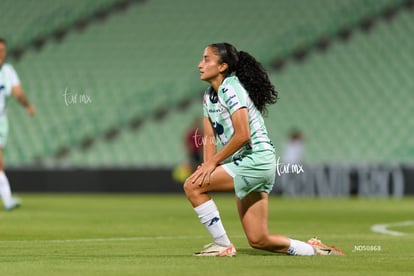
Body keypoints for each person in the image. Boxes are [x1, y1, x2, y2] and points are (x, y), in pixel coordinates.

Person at [183, 42, 344, 256]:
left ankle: (222, 245)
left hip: (256, 160)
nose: (199, 64)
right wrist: (207, 164)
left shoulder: (231, 88)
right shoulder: (208, 96)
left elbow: (243, 135)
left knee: (192, 187)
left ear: (222, 66)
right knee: (259, 240)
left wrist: (212, 164)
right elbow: (210, 137)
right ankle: (318, 251)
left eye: (206, 59)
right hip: (255, 163)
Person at [0, 37, 35, 211]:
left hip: (1, 120)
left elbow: (18, 93)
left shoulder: (8, 71)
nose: (1, 54)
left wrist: (27, 105)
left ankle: (7, 198)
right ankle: (7, 198)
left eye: (3, 51)